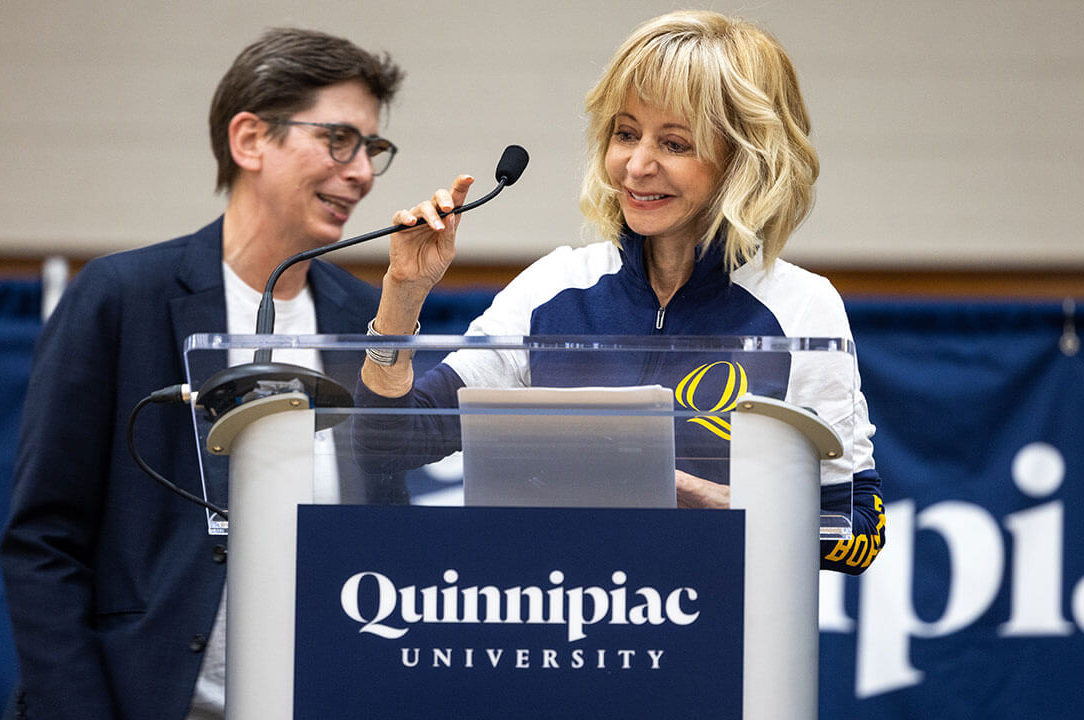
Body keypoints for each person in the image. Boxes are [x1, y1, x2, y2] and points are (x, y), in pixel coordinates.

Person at [353, 10, 885, 574]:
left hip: (717, 643)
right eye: (625, 134)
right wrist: (402, 297)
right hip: (556, 632)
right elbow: (390, 445)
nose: (636, 165)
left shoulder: (801, 307)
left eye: (675, 143)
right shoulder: (553, 288)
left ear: (744, 159)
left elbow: (857, 533)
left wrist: (700, 498)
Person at [0, 28, 406, 720]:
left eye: (371, 148)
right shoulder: (120, 297)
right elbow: (44, 543)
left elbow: (388, 528)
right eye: (339, 139)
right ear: (249, 140)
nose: (362, 171)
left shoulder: (367, 316)